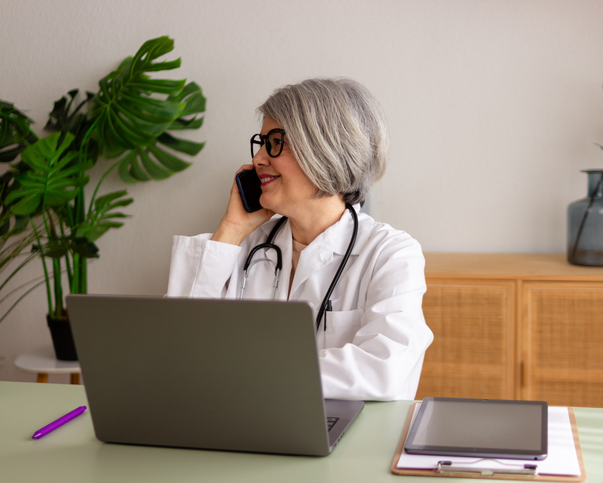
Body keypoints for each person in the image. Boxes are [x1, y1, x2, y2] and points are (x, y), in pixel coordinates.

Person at [167, 78, 433, 401]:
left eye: (275, 142)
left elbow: (382, 369)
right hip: (244, 432)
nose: (259, 160)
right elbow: (178, 349)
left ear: (325, 151)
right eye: (261, 143)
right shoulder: (244, 247)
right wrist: (231, 228)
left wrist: (245, 371)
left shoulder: (390, 255)